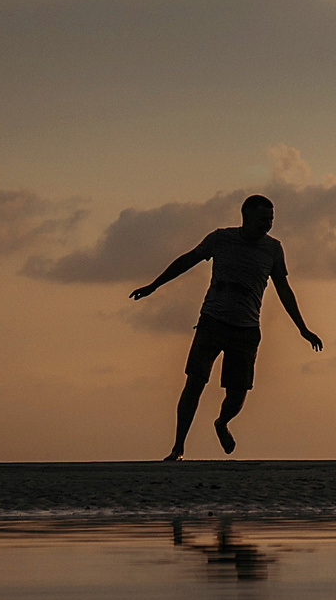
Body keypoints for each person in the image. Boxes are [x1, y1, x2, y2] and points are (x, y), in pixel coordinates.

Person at [129, 194, 323, 460]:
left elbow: (284, 290)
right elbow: (187, 260)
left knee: (237, 394)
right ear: (246, 216)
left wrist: (303, 329)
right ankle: (178, 447)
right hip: (212, 321)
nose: (268, 224)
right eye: (263, 219)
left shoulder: (273, 249)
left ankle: (222, 422)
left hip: (246, 329)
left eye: (271, 219)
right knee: (195, 382)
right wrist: (154, 285)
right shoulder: (220, 239)